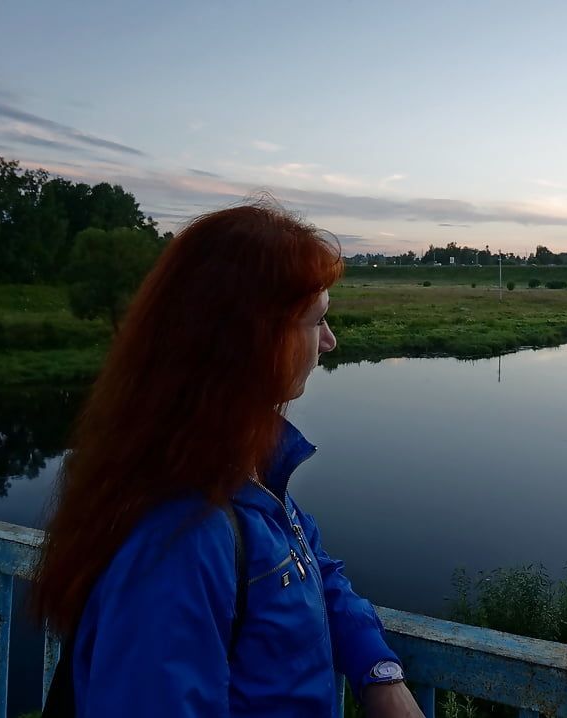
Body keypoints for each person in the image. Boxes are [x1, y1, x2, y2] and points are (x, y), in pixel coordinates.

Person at [32, 202, 425, 718]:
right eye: (318, 320)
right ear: (255, 339)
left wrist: (379, 674)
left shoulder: (235, 464)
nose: (330, 341)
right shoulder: (181, 532)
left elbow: (314, 565)